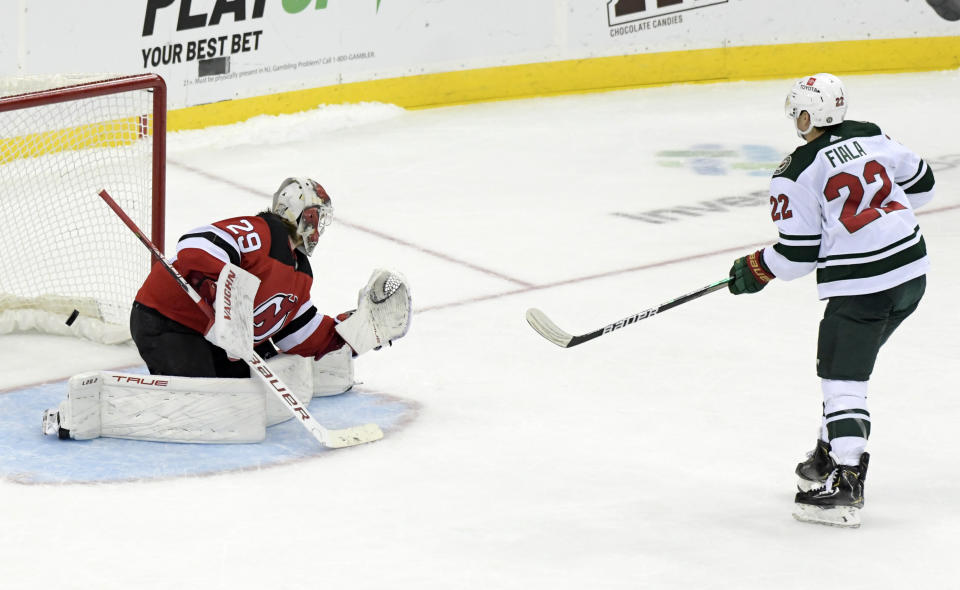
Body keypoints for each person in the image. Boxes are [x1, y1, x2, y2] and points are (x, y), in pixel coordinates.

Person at [727, 74, 935, 527]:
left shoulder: (795, 171)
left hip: (863, 286)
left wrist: (758, 267)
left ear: (807, 115)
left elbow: (798, 255)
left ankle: (845, 480)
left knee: (842, 378)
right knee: (850, 371)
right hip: (912, 273)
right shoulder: (869, 133)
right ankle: (827, 452)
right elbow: (923, 185)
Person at [131, 176, 348, 377]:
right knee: (203, 399)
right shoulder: (261, 232)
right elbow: (195, 245)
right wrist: (228, 299)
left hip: (221, 340)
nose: (319, 226)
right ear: (306, 215)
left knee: (253, 386)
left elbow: (298, 335)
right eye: (318, 217)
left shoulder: (301, 274)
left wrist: (353, 331)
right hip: (168, 319)